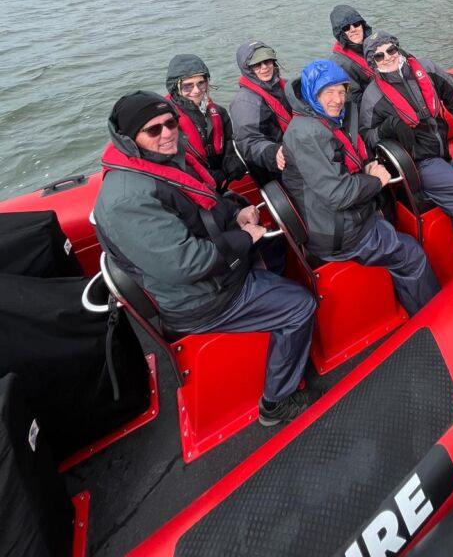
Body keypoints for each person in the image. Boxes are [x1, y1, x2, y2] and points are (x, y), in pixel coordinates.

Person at [94, 91, 316, 427]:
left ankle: (275, 328)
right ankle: (276, 403)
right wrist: (244, 237)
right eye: (153, 130)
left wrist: (236, 214)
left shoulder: (161, 162)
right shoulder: (128, 199)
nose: (167, 133)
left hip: (212, 276)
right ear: (128, 139)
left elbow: (203, 205)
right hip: (201, 299)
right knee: (300, 305)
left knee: (275, 249)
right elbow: (186, 264)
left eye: (171, 123)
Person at [282, 60, 439, 315]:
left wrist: (365, 169)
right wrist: (376, 180)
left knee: (394, 224)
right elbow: (338, 194)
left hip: (338, 219)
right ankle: (433, 317)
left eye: (341, 91)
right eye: (328, 92)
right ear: (313, 93)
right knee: (412, 255)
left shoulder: (318, 119)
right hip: (339, 233)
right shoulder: (308, 134)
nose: (337, 100)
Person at [359, 30, 453, 260]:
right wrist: (388, 127)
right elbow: (366, 137)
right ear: (372, 62)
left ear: (397, 47)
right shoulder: (372, 97)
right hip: (418, 161)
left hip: (440, 149)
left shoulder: (426, 69)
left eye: (390, 50)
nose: (387, 57)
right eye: (379, 56)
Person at [165, 53, 245, 190]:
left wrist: (231, 159)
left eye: (201, 83)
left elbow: (229, 140)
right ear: (175, 88)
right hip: (192, 186)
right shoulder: (167, 122)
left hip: (221, 180)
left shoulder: (219, 112)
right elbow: (172, 161)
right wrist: (208, 175)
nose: (196, 91)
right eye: (188, 86)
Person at [230, 41, 292, 187]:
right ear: (247, 68)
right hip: (277, 167)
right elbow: (248, 142)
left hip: (298, 149)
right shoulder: (244, 102)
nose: (264, 67)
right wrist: (274, 152)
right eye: (257, 64)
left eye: (267, 61)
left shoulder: (286, 85)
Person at [329, 5, 373, 106]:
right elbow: (353, 100)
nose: (353, 29)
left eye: (356, 24)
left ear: (362, 25)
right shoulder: (339, 64)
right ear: (340, 33)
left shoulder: (376, 46)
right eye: (346, 27)